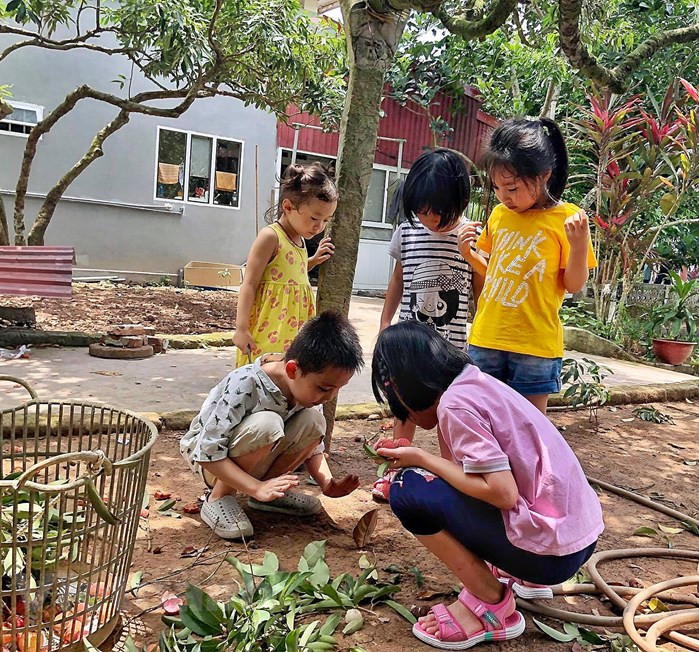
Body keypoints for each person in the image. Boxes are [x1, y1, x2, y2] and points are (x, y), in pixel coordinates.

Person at [371, 322, 603, 650]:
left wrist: (420, 459)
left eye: (399, 406)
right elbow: (474, 477)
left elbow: (502, 493)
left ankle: (491, 603)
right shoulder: (474, 382)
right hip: (575, 538)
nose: (403, 415)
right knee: (438, 485)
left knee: (407, 491)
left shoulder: (455, 405)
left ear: (404, 385)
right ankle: (525, 577)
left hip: (552, 555)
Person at [181, 312, 363, 540]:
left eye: (338, 389)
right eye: (325, 388)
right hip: (211, 464)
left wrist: (327, 483)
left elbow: (313, 446)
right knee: (267, 424)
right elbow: (207, 451)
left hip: (251, 457)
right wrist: (256, 487)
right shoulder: (245, 384)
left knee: (314, 421)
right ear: (292, 370)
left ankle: (268, 495)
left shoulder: (307, 392)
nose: (330, 396)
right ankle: (218, 497)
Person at [457, 118, 596, 414]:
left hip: (535, 344)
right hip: (486, 336)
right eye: (496, 187)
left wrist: (581, 244)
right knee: (481, 416)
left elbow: (574, 285)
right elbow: (496, 272)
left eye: (512, 187)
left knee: (530, 424)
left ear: (544, 175)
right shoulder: (499, 215)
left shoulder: (568, 218)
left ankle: (526, 465)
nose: (503, 196)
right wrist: (469, 255)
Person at [375, 148, 482, 501]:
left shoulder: (471, 236)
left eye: (437, 211)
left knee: (449, 414)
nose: (429, 218)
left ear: (459, 200)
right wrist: (385, 322)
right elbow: (398, 280)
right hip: (410, 346)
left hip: (452, 351)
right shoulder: (407, 233)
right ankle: (393, 472)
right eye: (421, 210)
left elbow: (481, 288)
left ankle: (451, 481)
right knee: (405, 407)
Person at [233, 163, 337, 367]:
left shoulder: (300, 240)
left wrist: (313, 261)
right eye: (315, 218)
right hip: (267, 331)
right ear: (288, 207)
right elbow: (250, 284)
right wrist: (241, 329)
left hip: (294, 335)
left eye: (326, 220)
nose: (319, 227)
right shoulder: (270, 237)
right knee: (261, 383)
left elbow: (286, 275)